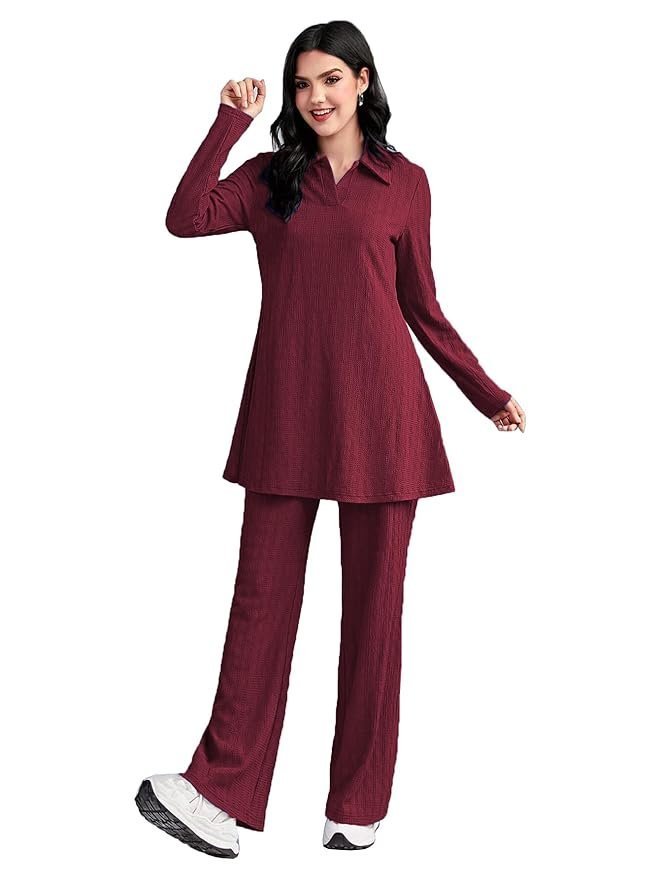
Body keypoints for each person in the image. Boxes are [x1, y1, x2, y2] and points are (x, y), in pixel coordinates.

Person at [135, 20, 525, 859]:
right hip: (284, 417)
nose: (315, 97)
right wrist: (229, 121)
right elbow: (184, 217)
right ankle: (218, 794)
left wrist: (485, 393)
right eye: (302, 83)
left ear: (363, 82)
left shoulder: (405, 183)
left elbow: (421, 305)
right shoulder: (270, 177)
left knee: (373, 621)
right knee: (259, 606)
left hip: (386, 425)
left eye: (330, 80)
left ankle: (356, 805)